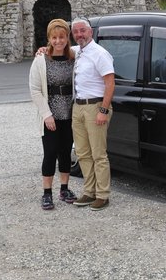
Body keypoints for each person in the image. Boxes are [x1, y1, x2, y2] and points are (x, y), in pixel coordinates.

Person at [29, 18, 77, 210]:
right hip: (50, 115)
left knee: (66, 152)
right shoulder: (41, 59)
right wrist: (46, 114)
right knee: (50, 153)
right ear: (49, 38)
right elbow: (34, 89)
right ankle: (47, 193)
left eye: (62, 37)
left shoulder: (74, 56)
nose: (58, 41)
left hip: (69, 113)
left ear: (67, 37)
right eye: (54, 37)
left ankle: (64, 188)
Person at [70, 17, 115, 211]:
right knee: (82, 153)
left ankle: (103, 194)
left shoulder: (100, 54)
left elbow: (110, 83)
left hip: (95, 106)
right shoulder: (77, 51)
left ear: (91, 32)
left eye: (83, 31)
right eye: (76, 32)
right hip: (78, 106)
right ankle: (89, 191)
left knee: (98, 154)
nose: (79, 34)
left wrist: (103, 111)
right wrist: (43, 49)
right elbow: (58, 48)